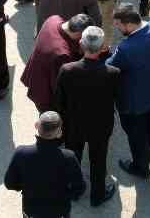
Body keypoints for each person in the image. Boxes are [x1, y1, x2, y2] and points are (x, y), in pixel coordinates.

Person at [53, 25, 119, 206]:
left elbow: (59, 102)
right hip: (101, 126)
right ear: (103, 47)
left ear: (81, 45)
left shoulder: (67, 70)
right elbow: (117, 98)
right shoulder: (113, 73)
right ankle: (97, 196)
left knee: (74, 156)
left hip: (74, 125)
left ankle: (74, 190)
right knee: (98, 161)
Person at [108, 4, 150, 179]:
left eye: (118, 25)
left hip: (134, 99)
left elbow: (110, 66)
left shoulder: (126, 48)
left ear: (127, 24)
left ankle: (140, 167)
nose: (116, 28)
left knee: (137, 135)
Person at [3, 111, 87, 218]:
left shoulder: (21, 153)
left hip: (31, 211)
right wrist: (65, 196)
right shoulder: (69, 157)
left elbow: (9, 183)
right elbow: (80, 188)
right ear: (59, 132)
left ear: (36, 126)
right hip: (59, 212)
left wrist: (27, 187)